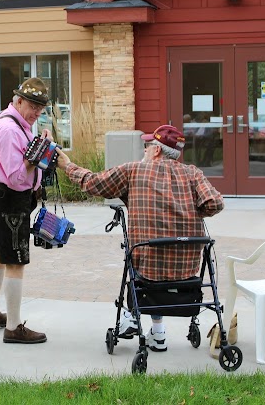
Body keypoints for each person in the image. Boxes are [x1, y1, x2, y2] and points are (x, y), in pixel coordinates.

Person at [56, 124, 224, 352]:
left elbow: (94, 183)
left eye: (147, 146)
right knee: (154, 256)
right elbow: (215, 203)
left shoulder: (133, 171)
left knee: (141, 257)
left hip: (148, 266)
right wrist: (192, 211)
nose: (144, 150)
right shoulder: (193, 173)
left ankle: (130, 316)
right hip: (187, 268)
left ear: (156, 150)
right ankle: (158, 332)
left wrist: (67, 165)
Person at [0, 77, 51, 344]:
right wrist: (41, 152)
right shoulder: (11, 129)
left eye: (40, 108)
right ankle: (12, 326)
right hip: (10, 197)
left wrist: (39, 146)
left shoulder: (15, 123)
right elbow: (16, 175)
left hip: (1, 194)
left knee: (0, 254)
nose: (36, 113)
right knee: (16, 260)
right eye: (33, 106)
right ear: (18, 100)